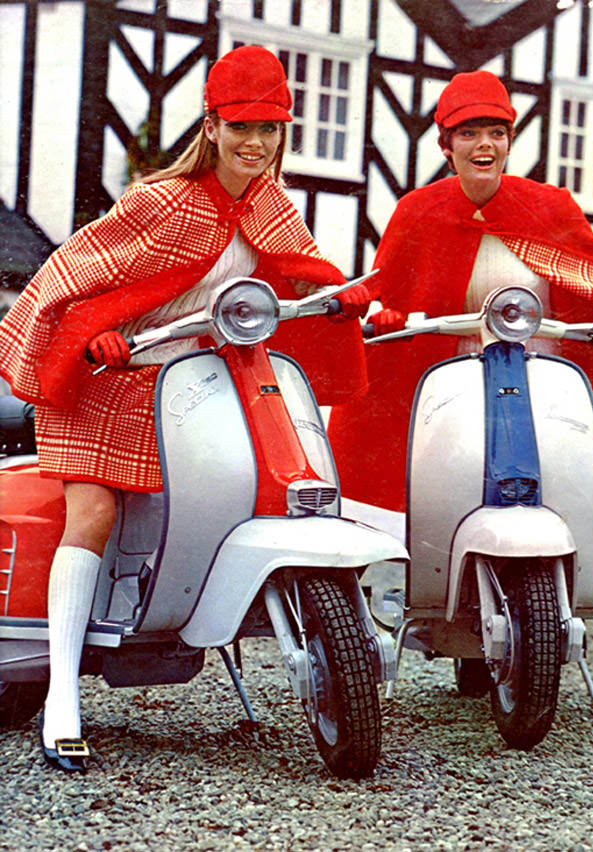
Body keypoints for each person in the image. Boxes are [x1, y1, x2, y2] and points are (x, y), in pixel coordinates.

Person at [0, 45, 370, 771]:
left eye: (270, 128)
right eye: (240, 127)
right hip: (111, 377)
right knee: (95, 512)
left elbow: (292, 281)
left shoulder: (271, 207)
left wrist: (338, 298)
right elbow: (71, 273)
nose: (255, 144)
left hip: (203, 384)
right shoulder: (159, 201)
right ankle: (65, 703)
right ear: (211, 127)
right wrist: (98, 332)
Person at [328, 70, 593, 688]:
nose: (483, 145)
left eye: (495, 132)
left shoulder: (548, 208)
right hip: (452, 385)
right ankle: (365, 642)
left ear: (509, 140)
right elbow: (386, 284)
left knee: (577, 502)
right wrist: (386, 309)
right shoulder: (420, 211)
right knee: (442, 498)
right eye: (468, 132)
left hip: (541, 382)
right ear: (446, 144)